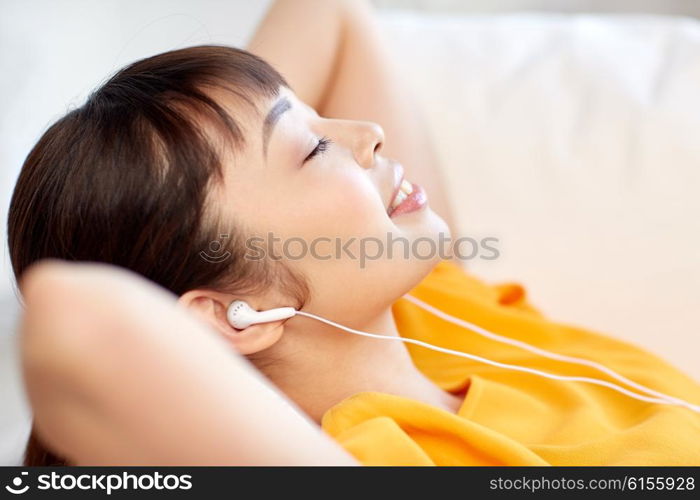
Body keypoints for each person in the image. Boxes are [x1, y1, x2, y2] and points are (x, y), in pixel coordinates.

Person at [10, 0, 700, 466]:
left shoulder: (440, 311)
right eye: (312, 149)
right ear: (232, 313)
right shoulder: (368, 461)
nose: (368, 136)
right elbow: (76, 317)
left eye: (318, 121)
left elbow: (328, 14)